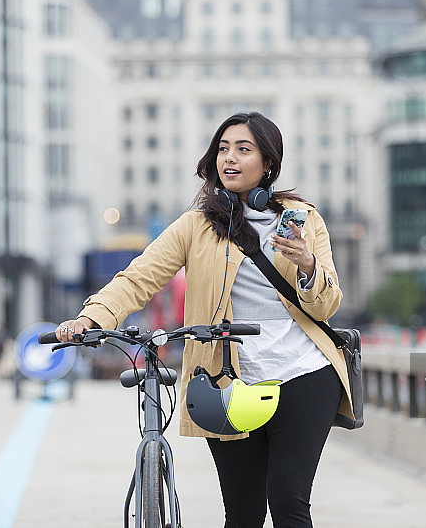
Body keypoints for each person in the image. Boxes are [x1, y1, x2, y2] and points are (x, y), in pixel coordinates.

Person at [55, 111, 354, 527]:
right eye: (223, 149)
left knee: (289, 501)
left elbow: (326, 306)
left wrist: (306, 264)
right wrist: (89, 319)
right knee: (243, 512)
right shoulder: (196, 226)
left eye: (244, 149)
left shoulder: (305, 220)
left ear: (268, 163)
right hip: (226, 380)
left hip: (305, 373)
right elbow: (138, 278)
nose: (229, 158)